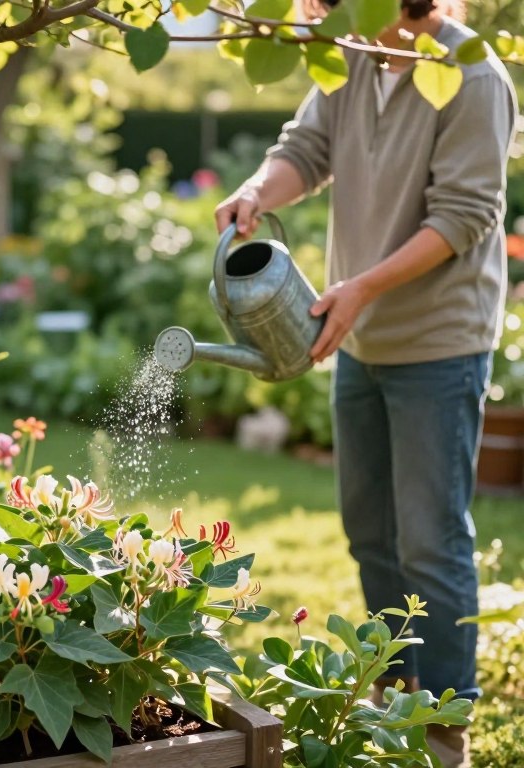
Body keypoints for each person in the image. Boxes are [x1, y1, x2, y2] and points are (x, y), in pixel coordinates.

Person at [214, 2, 518, 766]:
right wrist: (257, 192)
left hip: (439, 341)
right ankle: (394, 689)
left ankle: (444, 726)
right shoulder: (350, 52)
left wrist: (361, 289)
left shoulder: (472, 74)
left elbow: (464, 217)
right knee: (369, 532)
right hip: (358, 335)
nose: (330, 10)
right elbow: (307, 148)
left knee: (430, 540)